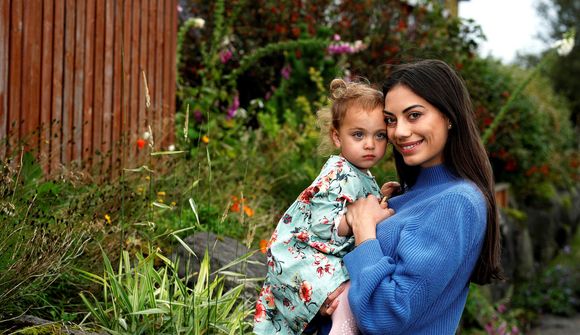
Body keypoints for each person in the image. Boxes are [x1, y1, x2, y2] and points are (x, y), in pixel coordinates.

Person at [327, 59, 504, 334]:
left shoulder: (456, 202)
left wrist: (364, 230)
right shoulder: (410, 194)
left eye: (414, 115)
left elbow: (385, 315)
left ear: (448, 116)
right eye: (391, 120)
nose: (399, 132)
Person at [253, 78, 399, 335]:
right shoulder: (339, 172)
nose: (370, 144)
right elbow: (323, 225)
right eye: (358, 134)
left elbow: (354, 206)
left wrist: (378, 199)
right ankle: (342, 328)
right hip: (301, 255)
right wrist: (366, 218)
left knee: (350, 287)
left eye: (380, 136)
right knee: (347, 293)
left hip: (317, 256)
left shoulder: (358, 172)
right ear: (336, 136)